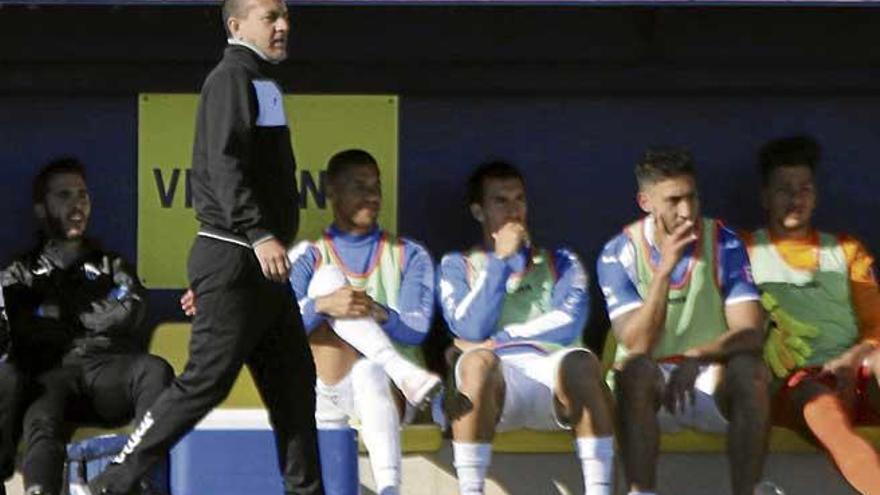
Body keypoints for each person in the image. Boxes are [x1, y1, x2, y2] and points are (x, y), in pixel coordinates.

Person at [85, 0, 323, 493]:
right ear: (236, 26)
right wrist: (257, 233)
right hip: (238, 253)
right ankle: (113, 480)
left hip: (260, 271)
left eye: (284, 15)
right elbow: (222, 164)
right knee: (204, 383)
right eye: (269, 17)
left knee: (295, 388)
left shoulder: (261, 81)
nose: (283, 25)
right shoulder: (231, 78)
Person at [596, 147, 770, 495]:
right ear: (646, 202)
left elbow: (750, 333)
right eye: (673, 200)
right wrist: (662, 272)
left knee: (751, 370)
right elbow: (637, 344)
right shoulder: (618, 252)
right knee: (635, 371)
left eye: (692, 197)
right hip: (650, 388)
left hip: (708, 377)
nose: (687, 211)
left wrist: (698, 356)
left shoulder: (724, 242)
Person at [438, 160, 615, 495]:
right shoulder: (455, 266)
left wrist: (499, 339)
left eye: (519, 199)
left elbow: (568, 323)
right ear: (479, 211)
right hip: (497, 384)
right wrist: (500, 263)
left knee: (581, 363)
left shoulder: (562, 261)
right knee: (477, 363)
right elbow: (468, 326)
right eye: (500, 201)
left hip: (553, 376)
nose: (513, 210)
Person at [0, 157, 173, 495]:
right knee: (40, 414)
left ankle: (134, 477)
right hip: (52, 375)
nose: (76, 204)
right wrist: (89, 320)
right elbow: (17, 328)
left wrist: (62, 319)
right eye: (63, 196)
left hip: (106, 370)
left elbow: (130, 311)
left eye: (82, 195)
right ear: (41, 208)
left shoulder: (111, 264)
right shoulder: (21, 271)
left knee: (155, 370)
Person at [287, 149, 441, 495]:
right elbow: (279, 330)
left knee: (369, 372)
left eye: (376, 186)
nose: (371, 196)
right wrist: (323, 307)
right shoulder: (307, 255)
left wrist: (374, 310)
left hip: (392, 395)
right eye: (359, 186)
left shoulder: (409, 254)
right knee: (325, 281)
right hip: (326, 389)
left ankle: (388, 487)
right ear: (332, 191)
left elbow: (417, 329)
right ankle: (388, 484)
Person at [743, 135, 880, 494]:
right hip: (798, 385)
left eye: (804, 188)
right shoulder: (743, 252)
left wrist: (852, 360)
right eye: (784, 189)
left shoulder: (847, 250)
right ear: (765, 197)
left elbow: (876, 326)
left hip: (858, 371)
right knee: (821, 406)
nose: (796, 198)